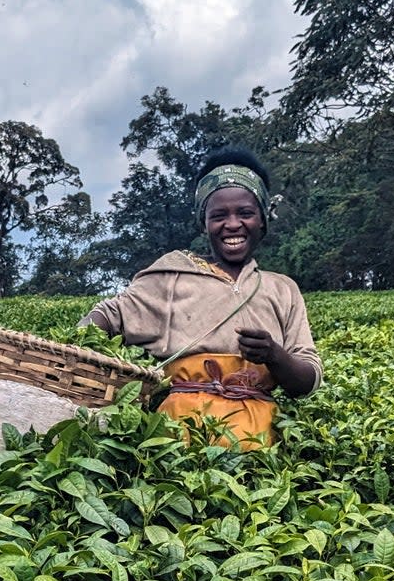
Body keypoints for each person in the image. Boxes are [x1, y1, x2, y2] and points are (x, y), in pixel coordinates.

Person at [82, 147, 322, 448]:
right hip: (180, 440)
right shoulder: (173, 275)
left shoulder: (282, 289)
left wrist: (274, 355)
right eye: (219, 215)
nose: (232, 224)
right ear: (203, 222)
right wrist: (76, 349)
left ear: (262, 219)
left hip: (262, 444)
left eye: (245, 213)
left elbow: (307, 380)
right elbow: (110, 315)